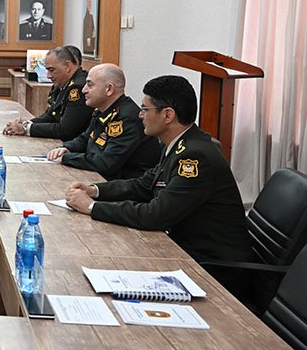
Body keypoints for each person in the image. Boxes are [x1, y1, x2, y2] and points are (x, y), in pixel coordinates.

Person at [64, 75, 254, 277]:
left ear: (168, 115)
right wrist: (94, 190)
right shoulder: (179, 144)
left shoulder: (195, 157)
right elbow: (143, 185)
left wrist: (91, 207)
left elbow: (155, 215)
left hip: (213, 269)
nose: (140, 115)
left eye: (145, 109)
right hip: (183, 250)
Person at [46, 64, 160, 180]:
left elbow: (106, 163)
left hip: (123, 187)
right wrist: (66, 148)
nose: (84, 90)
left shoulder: (127, 118)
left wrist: (67, 158)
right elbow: (85, 138)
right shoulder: (103, 110)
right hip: (100, 178)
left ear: (109, 89)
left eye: (90, 85)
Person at [3, 46, 90, 141]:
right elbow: (50, 116)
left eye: (51, 70)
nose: (48, 76)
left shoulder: (78, 87)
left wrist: (26, 129)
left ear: (67, 66)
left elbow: (65, 130)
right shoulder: (63, 84)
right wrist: (26, 123)